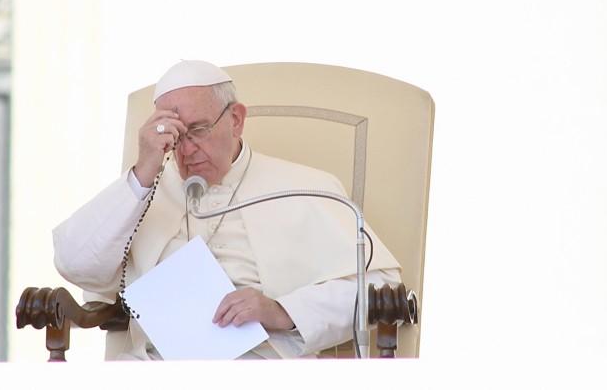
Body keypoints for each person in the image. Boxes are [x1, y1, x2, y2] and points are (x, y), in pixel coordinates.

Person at [52, 60, 401, 360]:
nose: (186, 150)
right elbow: (75, 264)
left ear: (236, 120)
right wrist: (143, 171)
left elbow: (382, 287)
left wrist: (281, 311)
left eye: (198, 130)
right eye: (175, 137)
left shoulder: (304, 185)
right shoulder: (142, 193)